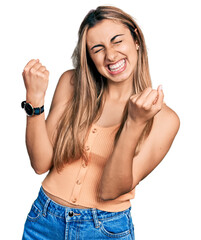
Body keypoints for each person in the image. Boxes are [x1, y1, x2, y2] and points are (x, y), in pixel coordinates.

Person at [21, 5, 180, 240]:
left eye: (117, 41)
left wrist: (134, 124)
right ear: (89, 56)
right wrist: (34, 100)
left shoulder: (164, 118)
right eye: (98, 49)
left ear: (136, 39)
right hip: (44, 220)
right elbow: (40, 164)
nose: (111, 55)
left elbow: (111, 190)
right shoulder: (71, 83)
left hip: (104, 230)